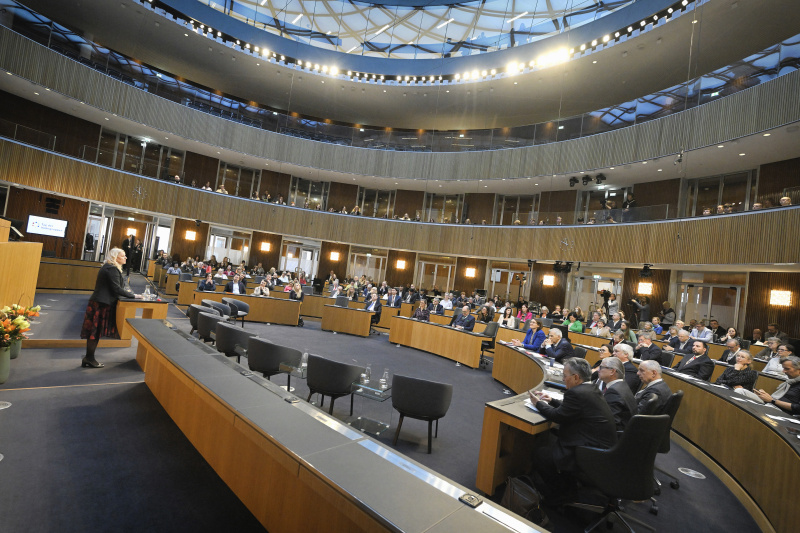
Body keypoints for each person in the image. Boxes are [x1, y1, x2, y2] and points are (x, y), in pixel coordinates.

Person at [529, 358, 617, 503]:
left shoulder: (577, 393)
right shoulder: (591, 389)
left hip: (589, 452)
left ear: (576, 377)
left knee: (541, 454)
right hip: (602, 448)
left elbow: (557, 416)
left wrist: (538, 403)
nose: (563, 379)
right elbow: (572, 409)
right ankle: (567, 487)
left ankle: (560, 495)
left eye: (565, 376)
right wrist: (551, 400)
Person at [79, 247, 140, 368]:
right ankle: (89, 358)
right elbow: (116, 288)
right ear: (115, 257)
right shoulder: (112, 269)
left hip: (99, 302)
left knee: (94, 333)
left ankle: (89, 358)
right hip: (101, 304)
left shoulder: (109, 267)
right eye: (123, 256)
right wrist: (134, 295)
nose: (126, 258)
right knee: (94, 333)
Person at [596, 357, 637, 430]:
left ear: (612, 371)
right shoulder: (621, 385)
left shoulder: (614, 391)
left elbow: (611, 423)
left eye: (601, 367)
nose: (598, 370)